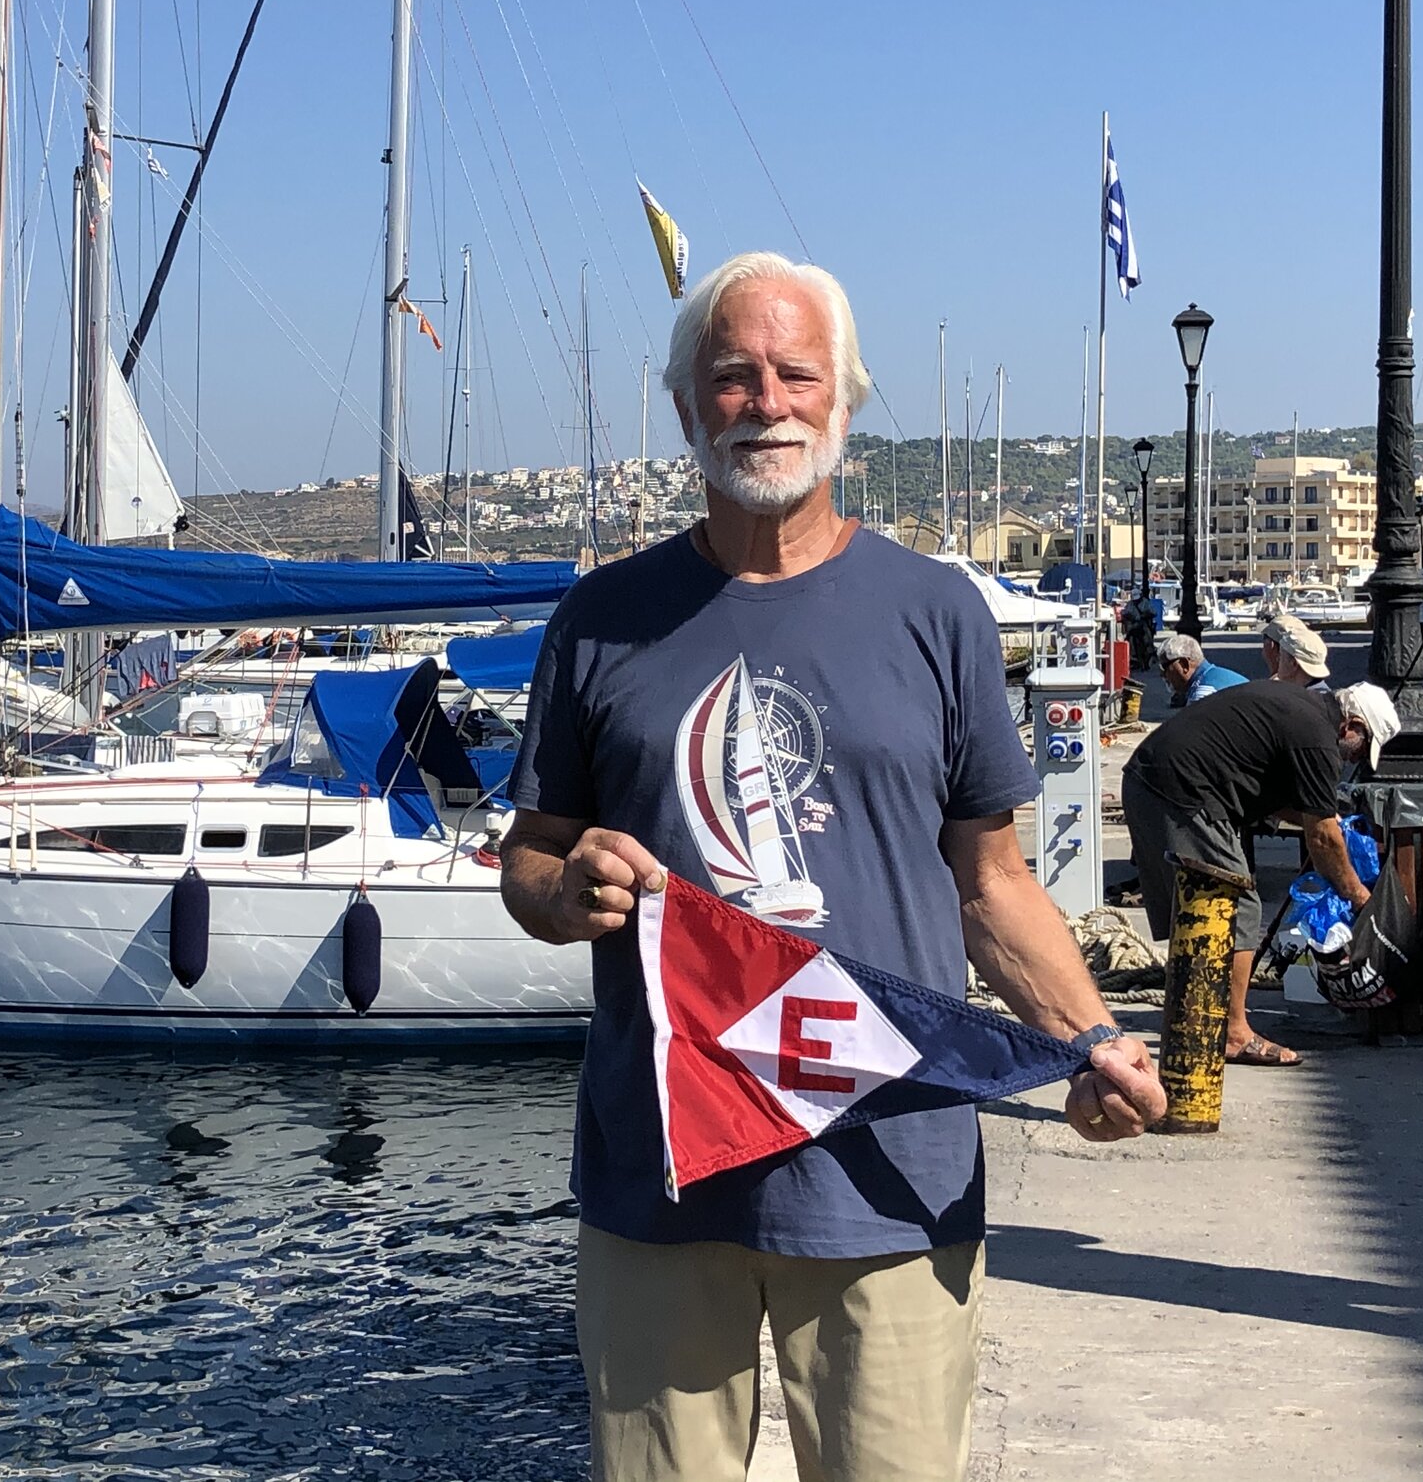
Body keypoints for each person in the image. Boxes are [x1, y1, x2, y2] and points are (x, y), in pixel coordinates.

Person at [499, 251, 1166, 1482]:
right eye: (733, 376)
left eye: (796, 374)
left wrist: (1090, 1039)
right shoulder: (598, 617)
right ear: (689, 402)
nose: (767, 401)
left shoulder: (937, 611)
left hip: (886, 1170)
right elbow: (529, 865)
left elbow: (993, 880)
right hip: (659, 1173)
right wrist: (565, 885)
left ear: (844, 404)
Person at [1122, 674, 1395, 1069]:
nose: (1355, 758)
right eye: (1362, 746)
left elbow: (1289, 802)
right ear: (1351, 725)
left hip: (1155, 781)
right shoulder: (1317, 737)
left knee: (1198, 910)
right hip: (1179, 791)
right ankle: (1232, 1033)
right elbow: (1323, 840)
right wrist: (1360, 897)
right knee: (1235, 904)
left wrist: (1323, 819)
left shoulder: (1305, 710)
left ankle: (1193, 1015)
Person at [1152, 630, 1246, 707]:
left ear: (1184, 665)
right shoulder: (1219, 675)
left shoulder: (1203, 694)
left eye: (1165, 667)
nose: (1162, 674)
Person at [1259, 613, 1331, 688]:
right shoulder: (1324, 694)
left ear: (1294, 663)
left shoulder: (1282, 695)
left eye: (1281, 655)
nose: (1278, 658)